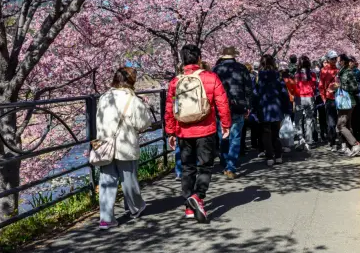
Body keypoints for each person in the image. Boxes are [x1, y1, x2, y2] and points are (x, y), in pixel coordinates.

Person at [165, 44, 231, 223]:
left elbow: (170, 108)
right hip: (206, 130)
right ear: (199, 59)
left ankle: (188, 206)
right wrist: (226, 124)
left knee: (187, 167)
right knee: (205, 166)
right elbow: (222, 103)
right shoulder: (210, 77)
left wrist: (170, 131)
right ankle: (198, 196)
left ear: (182, 60)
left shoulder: (175, 81)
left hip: (183, 131)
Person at [95, 67, 151, 228]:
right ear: (131, 81)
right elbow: (142, 123)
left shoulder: (104, 97)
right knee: (129, 180)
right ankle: (135, 208)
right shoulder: (132, 99)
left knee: (107, 181)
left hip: (105, 145)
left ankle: (106, 218)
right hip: (125, 145)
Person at [213, 46, 254, 179]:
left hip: (220, 107)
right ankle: (230, 166)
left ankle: (224, 162)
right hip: (238, 106)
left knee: (223, 135)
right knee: (235, 137)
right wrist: (248, 106)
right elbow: (248, 88)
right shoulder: (242, 68)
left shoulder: (216, 69)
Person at [253, 53, 291, 167]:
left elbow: (255, 94)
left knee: (266, 133)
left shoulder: (258, 77)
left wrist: (254, 107)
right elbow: (284, 93)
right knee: (276, 133)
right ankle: (278, 156)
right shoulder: (278, 76)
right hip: (276, 108)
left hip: (264, 108)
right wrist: (287, 108)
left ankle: (270, 156)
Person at [335, 54, 360, 157]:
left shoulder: (349, 72)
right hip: (343, 101)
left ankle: (355, 144)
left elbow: (354, 87)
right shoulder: (342, 72)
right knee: (347, 125)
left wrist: (341, 85)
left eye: (340, 61)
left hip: (348, 102)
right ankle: (350, 147)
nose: (338, 62)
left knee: (340, 125)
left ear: (344, 61)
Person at [293, 55, 318, 150]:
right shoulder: (312, 73)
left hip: (300, 98)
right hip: (310, 98)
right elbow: (315, 85)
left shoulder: (297, 74)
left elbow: (295, 86)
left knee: (298, 120)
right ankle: (309, 140)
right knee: (309, 119)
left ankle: (300, 140)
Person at [319, 51, 340, 149]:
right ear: (327, 59)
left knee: (339, 121)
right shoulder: (324, 71)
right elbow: (321, 86)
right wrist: (323, 98)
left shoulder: (339, 69)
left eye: (336, 58)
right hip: (330, 98)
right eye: (332, 58)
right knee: (331, 122)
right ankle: (332, 141)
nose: (334, 60)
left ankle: (337, 141)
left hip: (339, 98)